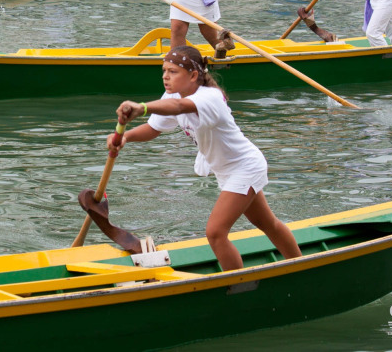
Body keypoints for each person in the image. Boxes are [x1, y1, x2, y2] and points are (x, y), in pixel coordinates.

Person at [107, 45, 303, 271]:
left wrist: (142, 107)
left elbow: (179, 107)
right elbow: (154, 128)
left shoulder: (210, 97)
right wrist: (124, 137)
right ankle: (300, 265)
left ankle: (237, 284)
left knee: (215, 232)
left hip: (245, 166)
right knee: (266, 223)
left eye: (173, 71)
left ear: (193, 75)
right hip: (226, 170)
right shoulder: (172, 95)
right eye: (164, 70)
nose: (165, 76)